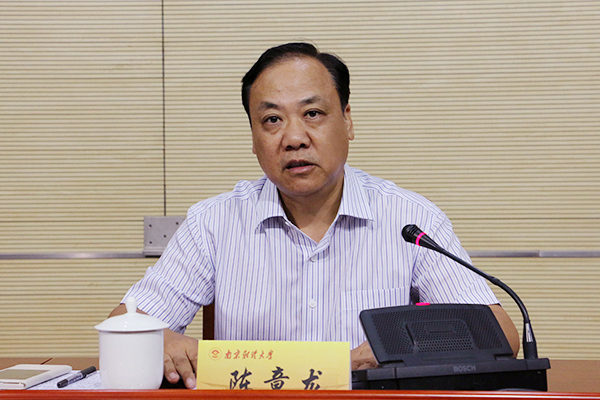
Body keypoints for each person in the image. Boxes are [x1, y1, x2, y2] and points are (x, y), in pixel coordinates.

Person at [109, 42, 519, 389]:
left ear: (347, 120)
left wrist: (401, 348)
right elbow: (124, 324)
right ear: (253, 138)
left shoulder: (409, 218)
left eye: (313, 114)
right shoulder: (213, 223)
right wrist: (159, 340)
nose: (294, 138)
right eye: (272, 120)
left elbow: (498, 333)